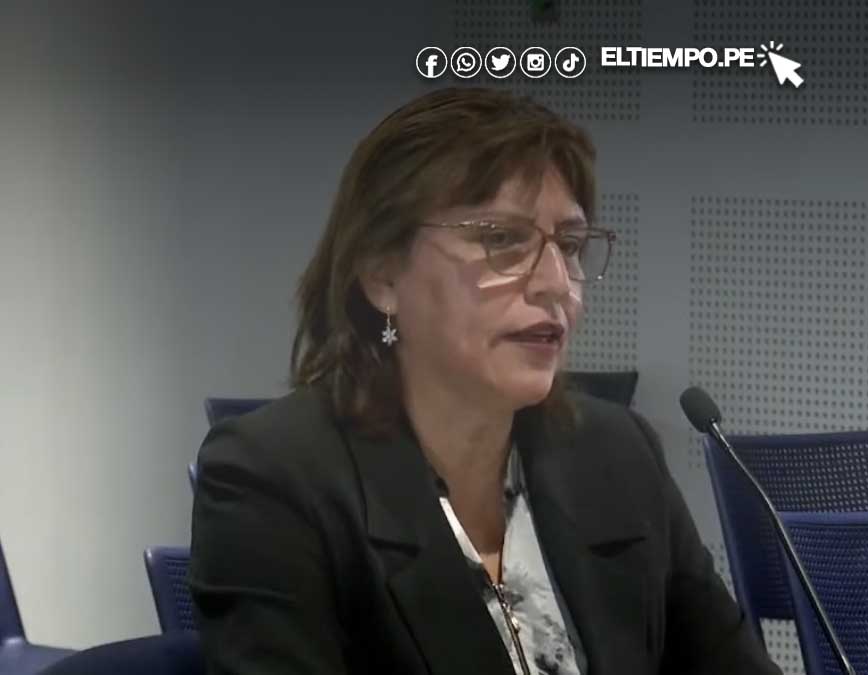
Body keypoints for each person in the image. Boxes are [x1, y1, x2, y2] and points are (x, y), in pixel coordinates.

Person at [188, 86, 781, 675]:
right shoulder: (276, 478)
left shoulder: (619, 455)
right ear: (382, 275)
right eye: (501, 240)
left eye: (570, 245)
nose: (557, 284)